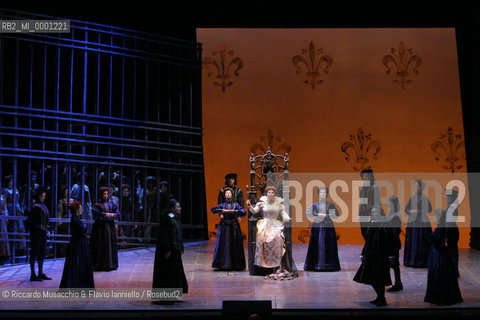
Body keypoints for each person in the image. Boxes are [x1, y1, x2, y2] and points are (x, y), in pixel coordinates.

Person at [247, 186, 298, 280]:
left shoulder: (279, 204)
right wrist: (249, 206)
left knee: (278, 238)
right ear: (266, 194)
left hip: (275, 223)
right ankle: (263, 266)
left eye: (272, 193)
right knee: (262, 238)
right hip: (265, 224)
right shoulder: (262, 203)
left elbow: (284, 214)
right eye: (269, 193)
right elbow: (254, 211)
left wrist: (287, 218)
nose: (270, 194)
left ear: (275, 194)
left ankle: (277, 264)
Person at [353, 207, 396, 307]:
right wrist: (363, 253)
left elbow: (389, 242)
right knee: (371, 277)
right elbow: (368, 240)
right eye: (372, 212)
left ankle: (381, 298)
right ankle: (379, 297)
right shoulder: (372, 223)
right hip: (370, 254)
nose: (373, 214)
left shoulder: (384, 225)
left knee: (379, 278)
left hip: (380, 255)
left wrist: (390, 255)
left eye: (375, 212)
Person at [424, 207, 463, 305]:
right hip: (438, 254)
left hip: (439, 255)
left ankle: (440, 297)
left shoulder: (442, 228)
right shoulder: (442, 227)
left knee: (439, 275)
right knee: (440, 275)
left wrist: (429, 237)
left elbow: (435, 240)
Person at [152, 199, 188, 304]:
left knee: (175, 273)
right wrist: (167, 250)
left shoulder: (176, 219)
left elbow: (179, 234)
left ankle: (174, 295)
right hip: (169, 251)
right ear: (172, 208)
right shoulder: (167, 219)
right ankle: (166, 297)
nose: (180, 208)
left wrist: (181, 247)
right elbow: (164, 236)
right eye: (178, 206)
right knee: (167, 273)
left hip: (176, 250)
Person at [304, 186, 341, 272]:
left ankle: (329, 265)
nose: (322, 194)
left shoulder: (330, 205)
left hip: (328, 226)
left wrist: (328, 215)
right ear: (319, 194)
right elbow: (308, 213)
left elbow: (336, 215)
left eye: (324, 192)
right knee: (316, 243)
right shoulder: (315, 205)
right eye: (321, 192)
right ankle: (315, 265)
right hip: (317, 225)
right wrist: (317, 215)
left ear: (326, 194)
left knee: (329, 244)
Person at [59, 201, 95, 288]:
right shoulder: (75, 220)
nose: (82, 209)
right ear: (77, 209)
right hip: (78, 245)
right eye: (80, 208)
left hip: (79, 244)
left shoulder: (76, 219)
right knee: (77, 265)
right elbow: (81, 231)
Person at [210, 187, 246, 271]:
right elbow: (213, 209)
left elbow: (243, 211)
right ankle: (223, 264)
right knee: (224, 244)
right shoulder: (222, 205)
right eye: (226, 193)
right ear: (224, 195)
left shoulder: (235, 205)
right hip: (224, 226)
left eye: (229, 193)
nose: (228, 194)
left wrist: (234, 212)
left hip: (234, 226)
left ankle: (236, 265)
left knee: (234, 244)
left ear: (232, 195)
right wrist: (222, 211)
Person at [404, 179, 433, 268]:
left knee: (421, 241)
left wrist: (418, 211)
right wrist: (410, 211)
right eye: (415, 186)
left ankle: (421, 262)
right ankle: (411, 261)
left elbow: (429, 209)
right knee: (412, 241)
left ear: (421, 187)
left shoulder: (424, 198)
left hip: (422, 222)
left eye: (417, 186)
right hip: (413, 222)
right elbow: (406, 209)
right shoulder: (412, 198)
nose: (415, 188)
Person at [25, 186, 52, 281]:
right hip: (37, 232)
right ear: (39, 195)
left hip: (42, 232)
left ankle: (40, 272)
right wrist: (34, 231)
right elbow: (30, 221)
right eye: (43, 193)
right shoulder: (36, 206)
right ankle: (33, 274)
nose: (45, 195)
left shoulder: (41, 205)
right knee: (35, 252)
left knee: (42, 252)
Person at [90, 186, 119, 271]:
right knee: (101, 245)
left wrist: (113, 215)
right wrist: (106, 214)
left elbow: (117, 212)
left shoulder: (111, 204)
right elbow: (96, 213)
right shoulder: (97, 205)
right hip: (100, 228)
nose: (106, 195)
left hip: (110, 227)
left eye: (107, 193)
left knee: (110, 244)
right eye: (104, 194)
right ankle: (101, 264)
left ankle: (111, 264)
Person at [386, 196, 403, 292]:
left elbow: (395, 232)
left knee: (394, 264)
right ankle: (397, 283)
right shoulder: (392, 215)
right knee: (393, 265)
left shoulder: (395, 217)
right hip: (391, 243)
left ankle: (398, 284)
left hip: (392, 244)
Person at [358, 169, 380, 241]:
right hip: (362, 212)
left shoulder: (374, 187)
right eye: (363, 176)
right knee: (363, 232)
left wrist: (372, 215)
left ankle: (370, 249)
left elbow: (376, 203)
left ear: (370, 177)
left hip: (369, 212)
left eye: (366, 176)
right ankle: (368, 247)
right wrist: (359, 213)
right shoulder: (362, 188)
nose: (364, 178)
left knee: (370, 232)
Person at [444, 188, 460, 277]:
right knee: (452, 252)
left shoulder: (452, 207)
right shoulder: (451, 205)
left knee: (452, 252)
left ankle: (454, 271)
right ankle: (453, 270)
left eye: (446, 195)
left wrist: (446, 233)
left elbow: (450, 221)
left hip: (451, 231)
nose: (445, 196)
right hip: (451, 230)